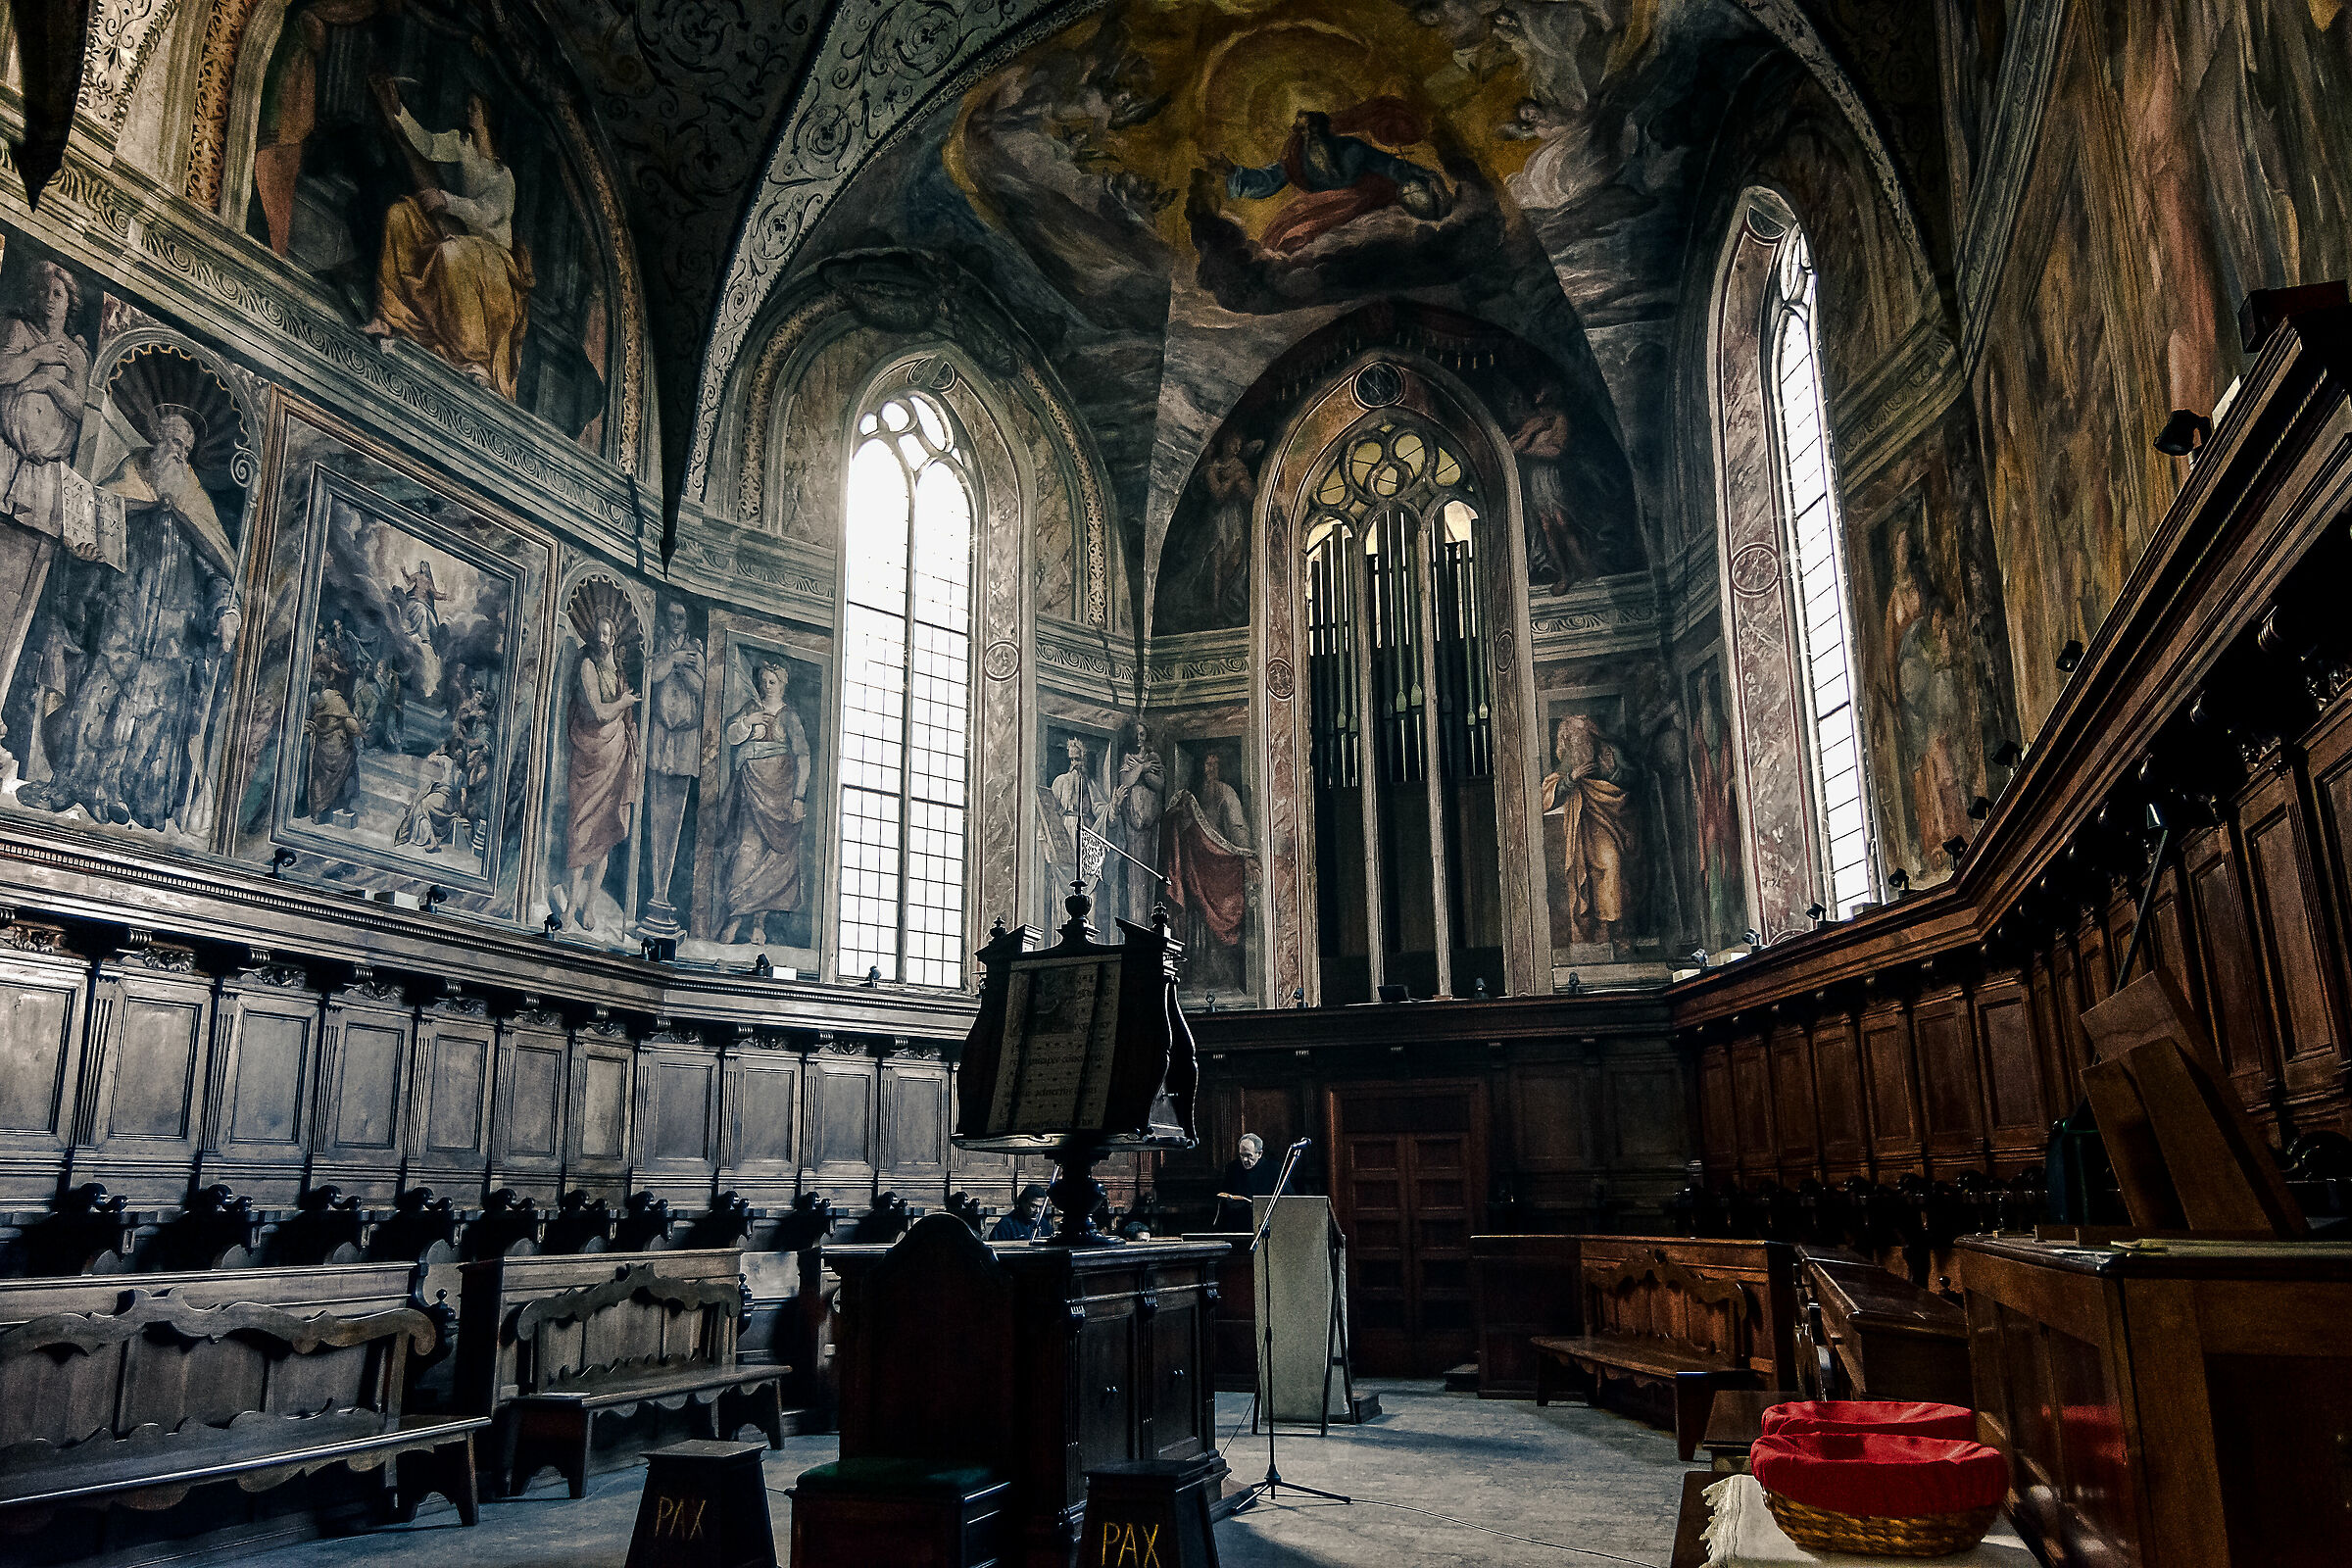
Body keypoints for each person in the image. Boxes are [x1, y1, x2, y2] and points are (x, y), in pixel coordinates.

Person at [362, 80, 533, 397]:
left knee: (450, 255)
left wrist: (446, 200)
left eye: (475, 108)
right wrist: (399, 110)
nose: (468, 111)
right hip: (465, 236)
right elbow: (427, 145)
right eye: (469, 106)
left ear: (488, 118)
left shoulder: (503, 176)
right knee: (399, 216)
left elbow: (486, 213)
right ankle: (387, 316)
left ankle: (475, 359)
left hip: (495, 258)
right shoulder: (462, 144)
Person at [1209, 102, 1450, 255]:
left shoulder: (1352, 149)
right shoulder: (1297, 159)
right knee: (1288, 238)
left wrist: (1421, 173)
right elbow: (1270, 179)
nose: (1312, 136)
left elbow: (1389, 165)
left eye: (1315, 130)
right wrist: (1233, 172)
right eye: (1305, 131)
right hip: (1318, 207)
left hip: (1361, 199)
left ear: (1326, 130)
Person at [716, 662, 809, 944]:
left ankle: (758, 923)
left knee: (774, 856)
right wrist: (748, 721)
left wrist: (798, 797)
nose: (766, 686)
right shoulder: (751, 708)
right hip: (751, 789)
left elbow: (803, 756)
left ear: (783, 684)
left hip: (780, 793)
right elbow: (732, 735)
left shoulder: (789, 716)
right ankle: (734, 917)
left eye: (772, 682)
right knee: (746, 850)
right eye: (764, 681)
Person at [561, 616, 639, 930]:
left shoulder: (619, 675)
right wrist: (623, 702)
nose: (603, 638)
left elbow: (628, 721)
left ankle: (588, 907)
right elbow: (598, 712)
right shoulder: (588, 669)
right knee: (580, 835)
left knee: (603, 838)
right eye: (599, 633)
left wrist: (635, 750)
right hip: (588, 762)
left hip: (616, 761)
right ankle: (569, 908)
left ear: (615, 638)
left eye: (608, 633)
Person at [1542, 712, 1637, 948]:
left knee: (1610, 865)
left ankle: (1616, 926)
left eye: (1582, 738)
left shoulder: (1607, 754)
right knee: (1589, 874)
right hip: (1582, 829)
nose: (1580, 744)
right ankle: (1600, 928)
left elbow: (1632, 780)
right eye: (1573, 740)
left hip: (1609, 821)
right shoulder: (1565, 772)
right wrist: (1571, 779)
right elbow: (1546, 798)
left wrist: (1613, 772)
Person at [641, 601, 706, 929]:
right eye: (672, 615)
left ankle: (664, 894)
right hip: (659, 739)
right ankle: (655, 893)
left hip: (683, 743)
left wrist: (680, 665)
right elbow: (652, 675)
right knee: (655, 811)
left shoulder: (697, 648)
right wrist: (675, 660)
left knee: (677, 815)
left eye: (682, 616)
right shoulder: (657, 645)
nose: (677, 621)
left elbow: (701, 689)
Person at [1214, 1134, 1280, 1229]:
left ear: (1260, 1154)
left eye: (1249, 1156)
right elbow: (1224, 1194)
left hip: (1265, 1223)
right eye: (1242, 1155)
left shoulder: (1274, 1169)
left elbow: (1286, 1199)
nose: (1245, 1160)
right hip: (1237, 1223)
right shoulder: (1233, 1168)